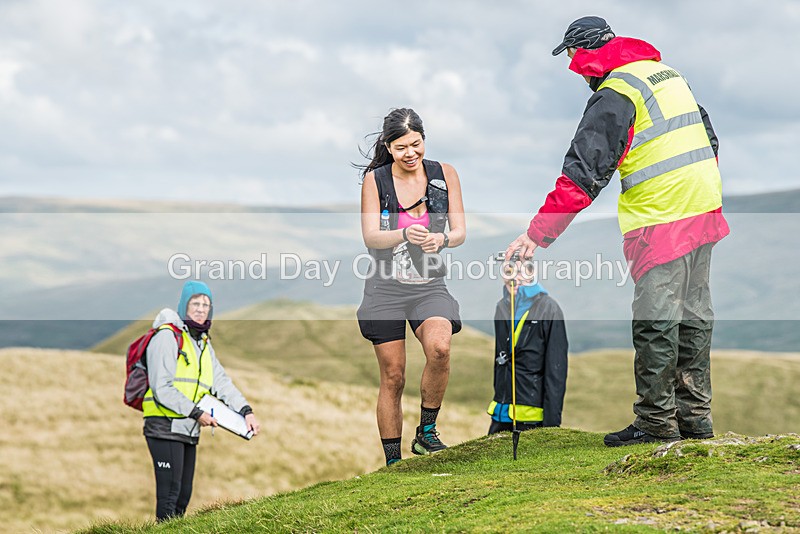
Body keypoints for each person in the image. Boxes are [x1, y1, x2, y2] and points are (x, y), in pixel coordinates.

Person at [506, 17, 729, 446]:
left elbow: (584, 172)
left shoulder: (616, 93)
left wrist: (537, 235)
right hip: (703, 204)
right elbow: (709, 136)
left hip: (662, 213)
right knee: (694, 315)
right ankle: (696, 422)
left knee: (656, 320)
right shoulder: (666, 75)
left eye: (571, 57)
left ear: (582, 55)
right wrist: (699, 186)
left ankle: (655, 424)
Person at [357, 108, 466, 465]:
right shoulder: (375, 181)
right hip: (385, 288)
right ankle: (393, 461)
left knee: (440, 349)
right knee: (394, 376)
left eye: (416, 144)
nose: (410, 153)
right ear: (388, 147)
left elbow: (460, 232)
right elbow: (370, 236)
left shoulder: (445, 173)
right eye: (401, 147)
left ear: (423, 140)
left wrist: (443, 240)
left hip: (429, 285)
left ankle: (427, 433)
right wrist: (404, 233)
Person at [142, 280, 260, 521]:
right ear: (184, 306)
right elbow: (161, 387)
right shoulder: (167, 337)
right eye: (195, 303)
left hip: (189, 427)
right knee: (169, 497)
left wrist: (246, 411)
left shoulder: (203, 343)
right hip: (164, 426)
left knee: (183, 497)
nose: (200, 308)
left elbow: (222, 383)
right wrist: (197, 413)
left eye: (206, 304)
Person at [487, 260, 568, 435]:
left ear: (531, 273)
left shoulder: (549, 309)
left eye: (520, 271)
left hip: (532, 417)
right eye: (508, 271)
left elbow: (556, 369)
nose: (514, 277)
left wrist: (552, 425)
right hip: (500, 414)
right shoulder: (501, 307)